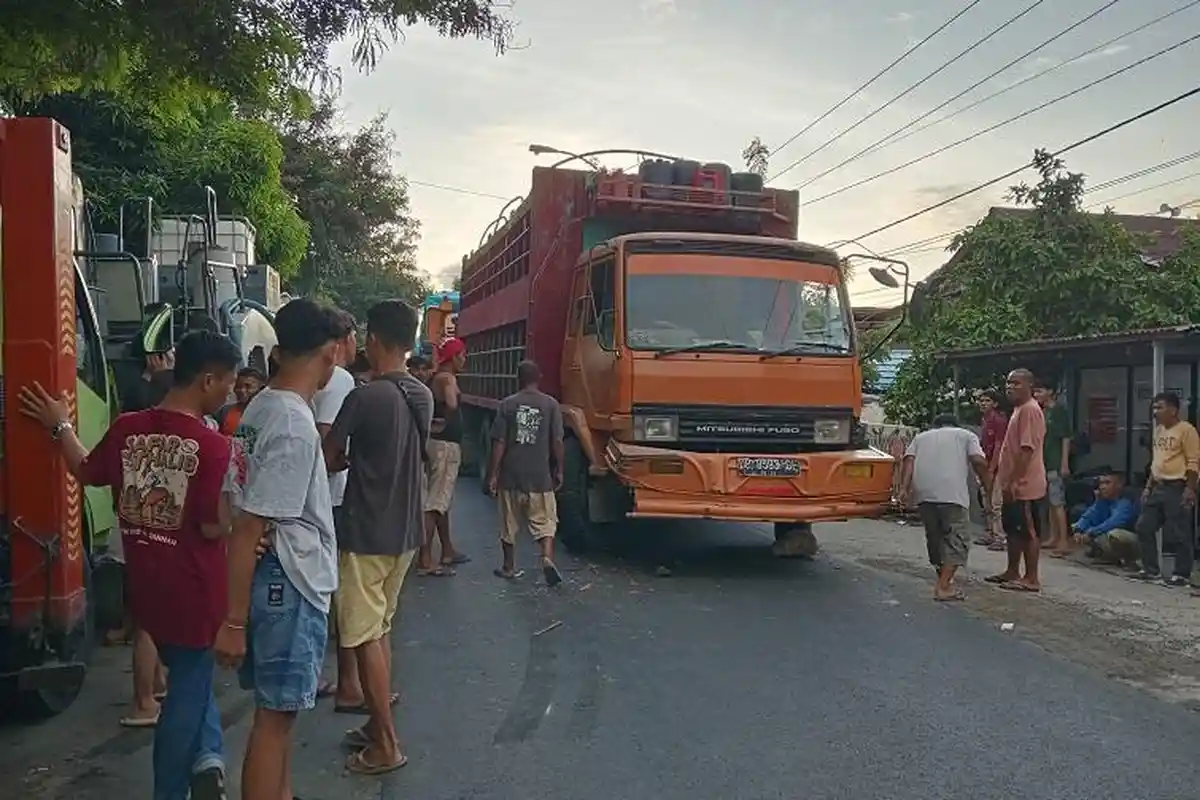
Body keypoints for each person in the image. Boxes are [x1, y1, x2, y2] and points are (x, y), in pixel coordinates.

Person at [21, 331, 242, 800]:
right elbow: (209, 527)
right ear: (207, 380)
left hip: (147, 585)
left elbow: (85, 470)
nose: (232, 392)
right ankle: (172, 787)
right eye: (229, 382)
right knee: (187, 690)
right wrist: (242, 522)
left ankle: (207, 761)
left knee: (188, 677)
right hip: (197, 591)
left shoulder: (128, 428)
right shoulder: (213, 447)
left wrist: (60, 425)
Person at [216, 299, 347, 800]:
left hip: (273, 578)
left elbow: (234, 500)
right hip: (289, 582)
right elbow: (251, 524)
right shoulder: (293, 423)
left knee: (279, 718)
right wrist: (231, 622)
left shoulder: (262, 406)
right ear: (330, 355)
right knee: (274, 722)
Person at [323, 299, 430, 775]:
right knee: (380, 628)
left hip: (366, 532)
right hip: (406, 531)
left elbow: (328, 455)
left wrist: (346, 461)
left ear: (373, 340)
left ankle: (386, 743)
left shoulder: (363, 397)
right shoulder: (420, 394)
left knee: (363, 635)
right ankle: (374, 723)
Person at [112, 348, 175, 726]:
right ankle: (143, 701)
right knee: (150, 623)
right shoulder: (166, 441)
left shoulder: (129, 435)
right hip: (155, 538)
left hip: (135, 533)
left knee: (146, 619)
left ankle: (155, 684)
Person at [312, 311, 369, 712]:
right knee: (337, 587)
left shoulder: (275, 393)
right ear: (345, 340)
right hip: (329, 498)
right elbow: (325, 442)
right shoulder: (342, 380)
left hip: (308, 499)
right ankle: (345, 681)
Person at [486, 360, 565, 586]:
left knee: (508, 523)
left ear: (517, 379)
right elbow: (557, 441)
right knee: (546, 522)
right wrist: (559, 470)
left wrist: (493, 474)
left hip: (511, 476)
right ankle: (547, 558)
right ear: (538, 377)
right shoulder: (551, 405)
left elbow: (499, 442)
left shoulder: (507, 404)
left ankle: (509, 567)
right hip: (540, 477)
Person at [897, 414, 992, 601]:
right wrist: (988, 486)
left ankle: (944, 578)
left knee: (935, 537)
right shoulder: (966, 435)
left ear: (936, 426)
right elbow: (979, 461)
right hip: (952, 494)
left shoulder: (921, 437)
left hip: (924, 493)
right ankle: (943, 587)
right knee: (958, 539)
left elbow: (908, 461)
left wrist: (904, 489)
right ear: (955, 425)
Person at [984, 368, 1048, 593]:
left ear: (1030, 386)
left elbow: (1026, 449)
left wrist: (1014, 480)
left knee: (1029, 531)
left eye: (1016, 383)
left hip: (1025, 485)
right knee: (1013, 529)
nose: (1010, 387)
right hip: (1012, 483)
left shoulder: (1030, 410)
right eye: (1008, 383)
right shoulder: (1018, 410)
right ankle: (1012, 570)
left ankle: (1031, 578)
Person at [1132, 391, 1199, 586]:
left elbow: (1194, 461)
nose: (1155, 411)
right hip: (1158, 485)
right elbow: (1157, 461)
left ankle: (1181, 574)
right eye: (1154, 407)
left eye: (1160, 407)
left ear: (1173, 410)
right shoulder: (1159, 430)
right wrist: (1148, 487)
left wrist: (1190, 488)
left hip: (1177, 485)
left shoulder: (1186, 430)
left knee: (1179, 532)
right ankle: (1151, 570)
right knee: (1144, 526)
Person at [418, 336, 469, 576]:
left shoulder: (434, 378)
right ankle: (426, 558)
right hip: (446, 446)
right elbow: (451, 403)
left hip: (435, 444)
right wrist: (447, 420)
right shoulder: (447, 379)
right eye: (462, 355)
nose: (464, 359)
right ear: (454, 357)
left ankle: (447, 549)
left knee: (440, 499)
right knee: (436, 502)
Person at [1070, 472, 1141, 567]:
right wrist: (1078, 530)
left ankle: (1130, 560)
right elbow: (1090, 515)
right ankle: (1108, 556)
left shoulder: (1126, 500)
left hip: (1135, 539)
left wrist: (1091, 533)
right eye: (1101, 483)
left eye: (1107, 483)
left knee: (1115, 534)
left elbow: (1115, 522)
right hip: (1110, 533)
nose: (1102, 487)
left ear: (1119, 485)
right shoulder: (1104, 500)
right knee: (1079, 526)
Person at [1036, 381, 1074, 554]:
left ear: (1050, 391)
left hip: (1055, 461)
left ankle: (1064, 540)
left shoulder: (1059, 411)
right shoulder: (1043, 412)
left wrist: (1064, 463)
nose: (1036, 394)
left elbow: (1066, 437)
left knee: (1058, 501)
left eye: (1040, 390)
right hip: (1044, 462)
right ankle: (1053, 536)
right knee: (1050, 502)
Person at [977, 389, 1009, 550]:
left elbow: (999, 446)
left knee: (996, 504)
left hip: (996, 466)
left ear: (995, 404)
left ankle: (1000, 537)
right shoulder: (985, 419)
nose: (983, 403)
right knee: (986, 502)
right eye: (981, 401)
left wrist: (992, 467)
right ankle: (990, 532)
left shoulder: (999, 420)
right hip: (985, 463)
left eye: (987, 401)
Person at [216, 368, 266, 436]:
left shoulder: (268, 414)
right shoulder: (224, 412)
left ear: (260, 388)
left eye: (248, 386)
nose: (242, 390)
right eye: (238, 386)